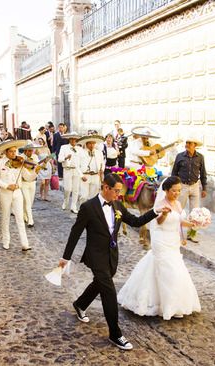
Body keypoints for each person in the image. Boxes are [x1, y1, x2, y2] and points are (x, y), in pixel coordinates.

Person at [58, 173, 168, 350]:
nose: (118, 194)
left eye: (120, 191)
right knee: (109, 292)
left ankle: (80, 304)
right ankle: (115, 334)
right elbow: (75, 232)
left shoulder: (117, 205)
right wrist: (66, 257)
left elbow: (135, 221)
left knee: (100, 284)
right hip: (96, 256)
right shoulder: (88, 207)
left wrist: (155, 212)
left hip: (112, 255)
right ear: (105, 187)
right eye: (116, 191)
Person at [117, 176, 201, 320]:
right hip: (161, 240)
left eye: (179, 191)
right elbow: (159, 222)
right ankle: (166, 305)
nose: (176, 193)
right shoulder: (160, 204)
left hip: (173, 242)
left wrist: (192, 225)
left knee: (176, 270)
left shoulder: (178, 205)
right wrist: (164, 214)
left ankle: (175, 304)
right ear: (166, 190)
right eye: (174, 191)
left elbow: (180, 221)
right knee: (169, 271)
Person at [0, 140, 33, 251]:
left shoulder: (20, 162)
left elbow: (28, 177)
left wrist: (36, 171)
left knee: (20, 217)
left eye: (15, 151)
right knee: (5, 217)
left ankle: (25, 243)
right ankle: (6, 241)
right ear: (6, 152)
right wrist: (6, 186)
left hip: (18, 192)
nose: (14, 154)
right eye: (11, 152)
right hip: (5, 193)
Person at [171, 135, 207, 243]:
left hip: (195, 186)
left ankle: (192, 234)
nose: (187, 145)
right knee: (178, 210)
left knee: (195, 212)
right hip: (182, 186)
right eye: (186, 142)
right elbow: (174, 172)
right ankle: (175, 233)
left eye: (190, 143)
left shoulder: (200, 157)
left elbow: (203, 173)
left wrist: (204, 188)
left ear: (195, 145)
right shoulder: (179, 156)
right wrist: (173, 187)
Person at [19, 143, 44, 228]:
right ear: (25, 150)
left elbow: (36, 167)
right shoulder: (21, 157)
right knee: (27, 200)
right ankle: (30, 220)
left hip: (33, 182)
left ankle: (25, 214)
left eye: (32, 150)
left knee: (30, 201)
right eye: (29, 150)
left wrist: (37, 167)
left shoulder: (35, 157)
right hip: (24, 182)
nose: (31, 152)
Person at [77, 135, 105, 206]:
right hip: (85, 176)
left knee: (94, 197)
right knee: (84, 196)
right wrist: (81, 176)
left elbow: (103, 163)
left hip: (96, 176)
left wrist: (102, 169)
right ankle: (82, 211)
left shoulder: (99, 153)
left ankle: (91, 213)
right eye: (90, 143)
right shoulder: (81, 152)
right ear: (86, 144)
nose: (92, 145)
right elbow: (77, 166)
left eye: (93, 143)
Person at [58, 132, 82, 213]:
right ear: (69, 139)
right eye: (71, 139)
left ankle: (73, 206)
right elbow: (59, 159)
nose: (73, 141)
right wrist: (65, 157)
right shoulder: (64, 147)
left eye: (75, 139)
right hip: (67, 169)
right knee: (67, 189)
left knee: (76, 189)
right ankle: (65, 201)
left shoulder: (79, 149)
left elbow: (82, 159)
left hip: (76, 170)